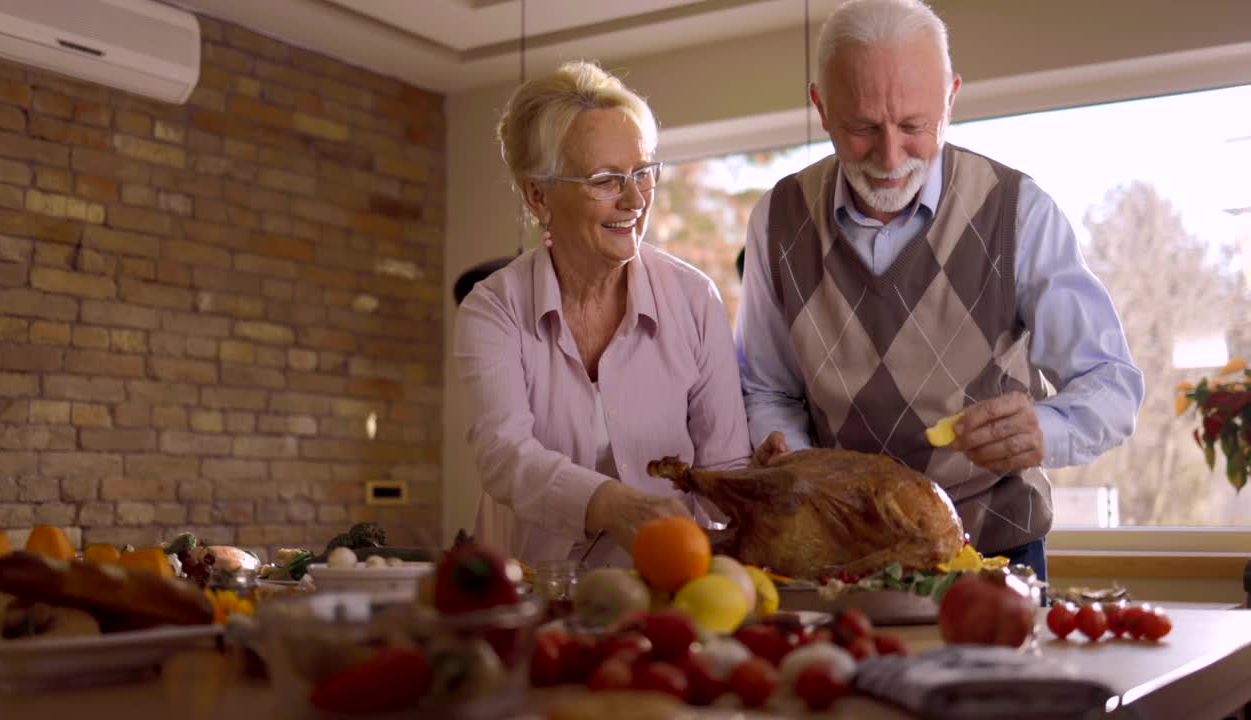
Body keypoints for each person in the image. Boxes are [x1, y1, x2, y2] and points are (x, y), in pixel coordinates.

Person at [735, 0, 1144, 581]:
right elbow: (766, 390)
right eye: (862, 129)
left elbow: (1112, 384)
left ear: (950, 100)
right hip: (838, 555)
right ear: (821, 109)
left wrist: (1042, 431)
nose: (890, 157)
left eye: (913, 126)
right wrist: (800, 465)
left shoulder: (1018, 211)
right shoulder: (777, 219)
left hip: (995, 555)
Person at [455, 60, 751, 568]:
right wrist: (608, 504)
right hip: (531, 592)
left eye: (642, 172)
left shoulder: (694, 299)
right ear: (538, 194)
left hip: (671, 587)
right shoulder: (494, 308)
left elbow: (724, 464)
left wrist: (759, 490)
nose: (635, 199)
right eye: (606, 180)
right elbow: (504, 454)